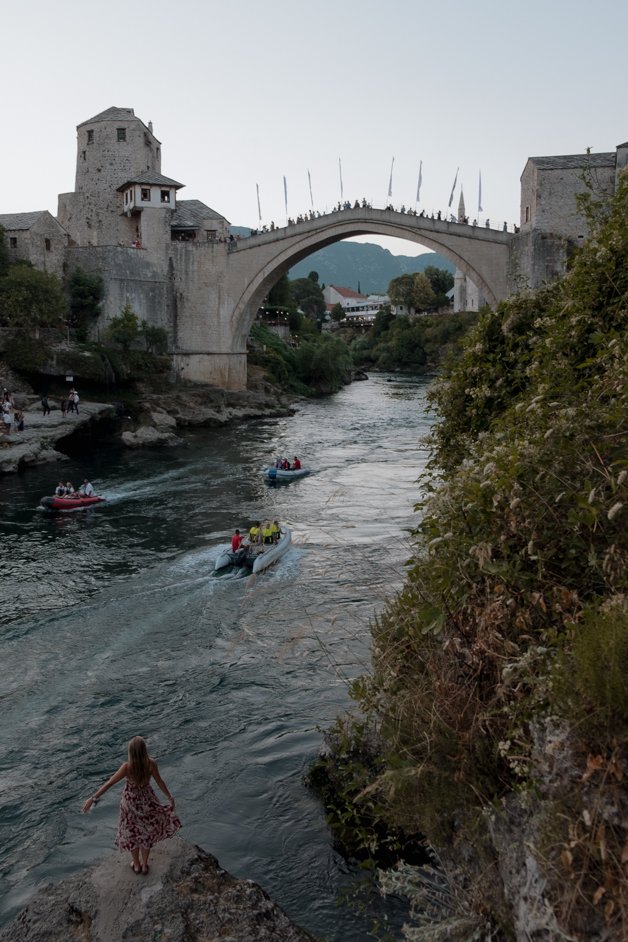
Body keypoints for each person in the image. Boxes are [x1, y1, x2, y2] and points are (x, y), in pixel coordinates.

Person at [82, 735, 181, 875]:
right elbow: (160, 782)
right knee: (146, 832)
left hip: (130, 804)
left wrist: (93, 798)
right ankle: (145, 865)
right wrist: (169, 796)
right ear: (144, 750)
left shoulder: (127, 767)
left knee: (132, 833)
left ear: (131, 752)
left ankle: (136, 864)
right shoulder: (151, 763)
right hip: (147, 801)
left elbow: (109, 783)